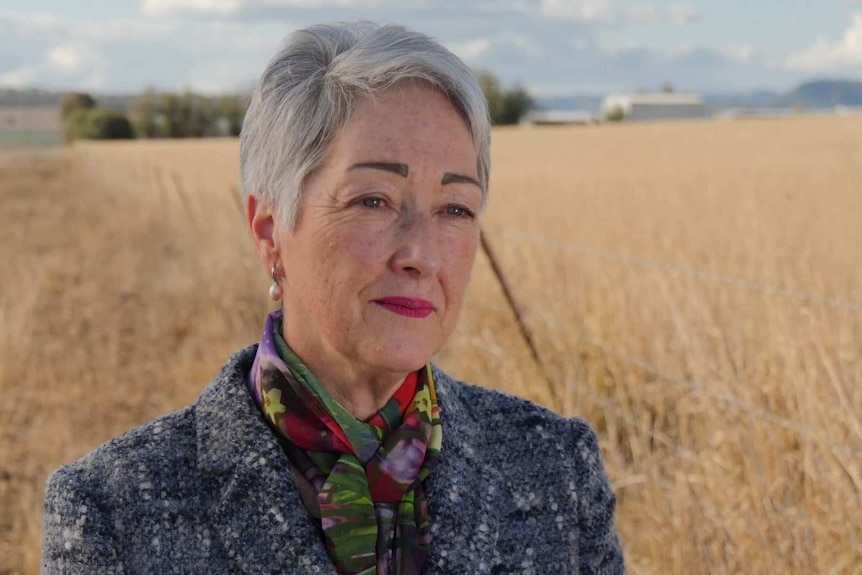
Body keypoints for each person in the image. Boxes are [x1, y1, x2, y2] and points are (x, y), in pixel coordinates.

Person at [42, 21, 624, 574]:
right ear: (270, 229)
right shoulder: (114, 514)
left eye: (455, 209)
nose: (420, 253)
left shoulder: (555, 468)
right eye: (373, 200)